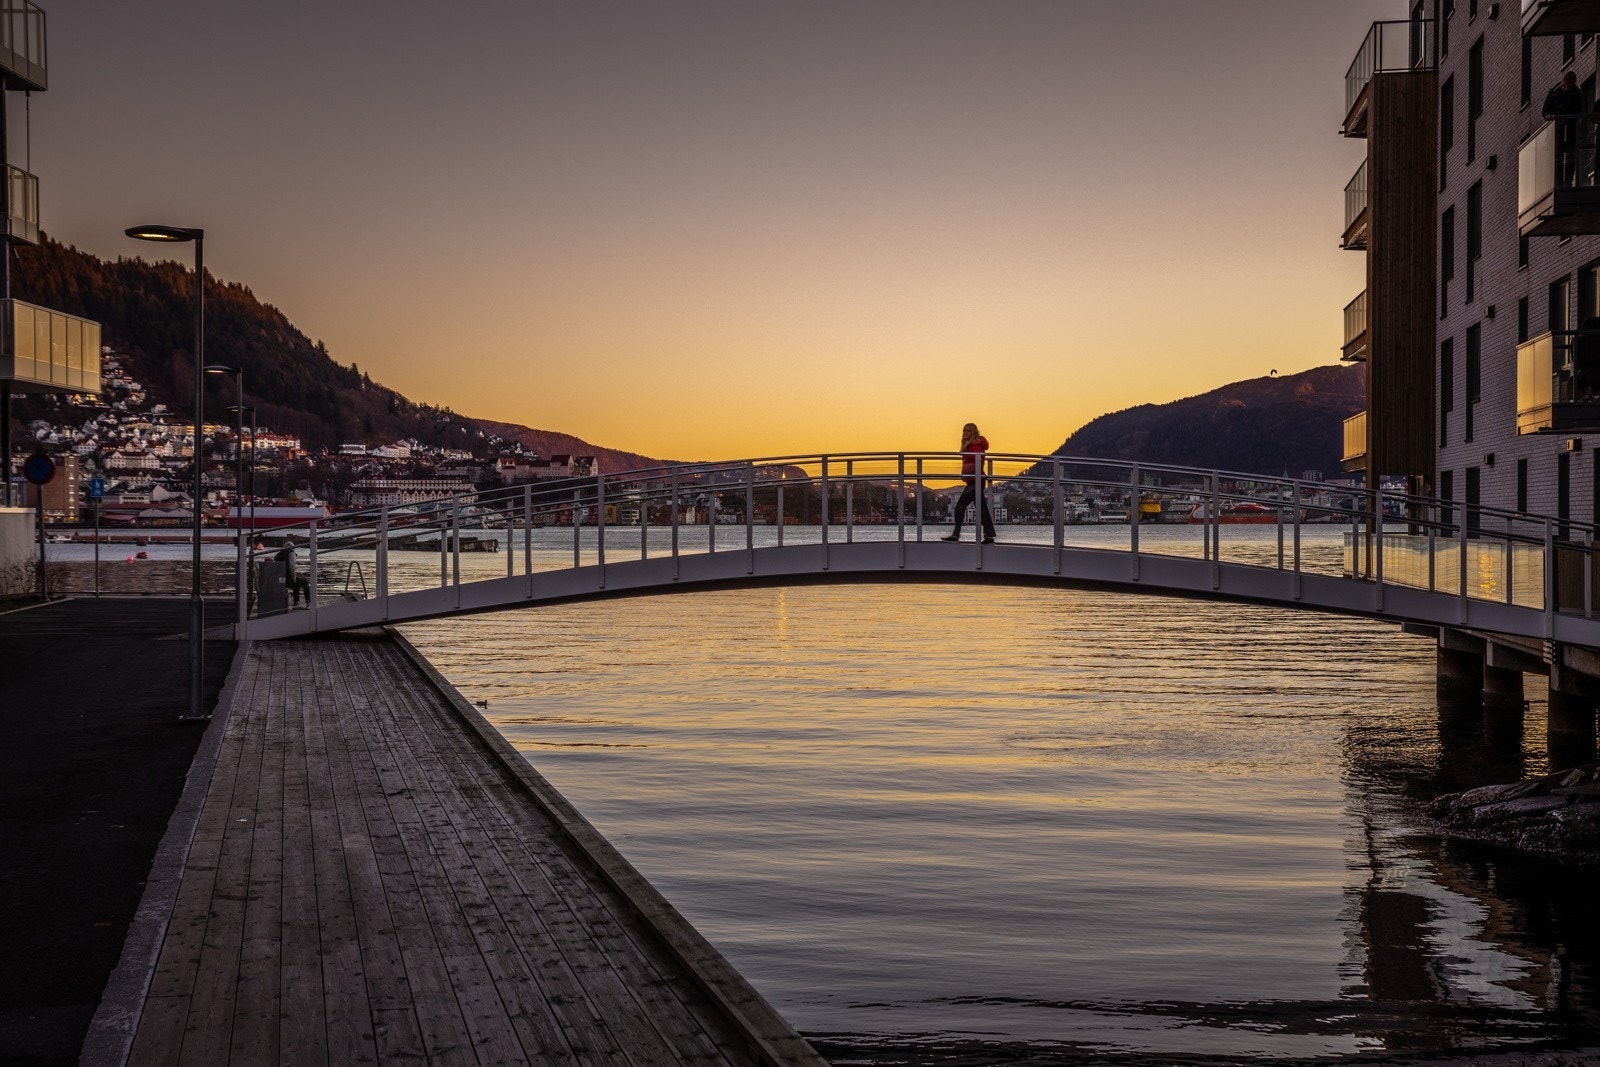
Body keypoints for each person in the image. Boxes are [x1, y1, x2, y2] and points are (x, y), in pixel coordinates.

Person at [942, 422, 997, 544]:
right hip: (974, 480)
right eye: (964, 431)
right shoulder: (970, 445)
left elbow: (977, 461)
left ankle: (956, 535)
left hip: (975, 480)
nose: (965, 433)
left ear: (973, 433)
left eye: (968, 431)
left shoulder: (975, 445)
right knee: (981, 509)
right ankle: (989, 537)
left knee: (960, 507)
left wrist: (971, 474)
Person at [1544, 72, 1584, 186]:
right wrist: (1548, 115)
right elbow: (1546, 109)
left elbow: (1578, 111)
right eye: (1565, 85)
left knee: (1569, 155)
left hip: (1570, 129)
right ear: (1562, 82)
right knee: (1558, 156)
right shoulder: (1554, 92)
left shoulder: (1576, 94)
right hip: (1557, 129)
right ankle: (1559, 181)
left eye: (1568, 86)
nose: (1566, 88)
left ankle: (1567, 181)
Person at [275, 537, 310, 607]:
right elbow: (292, 567)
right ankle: (307, 601)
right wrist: (294, 578)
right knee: (303, 582)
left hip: (279, 580)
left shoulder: (279, 554)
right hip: (287, 581)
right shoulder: (291, 554)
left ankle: (296, 602)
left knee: (297, 581)